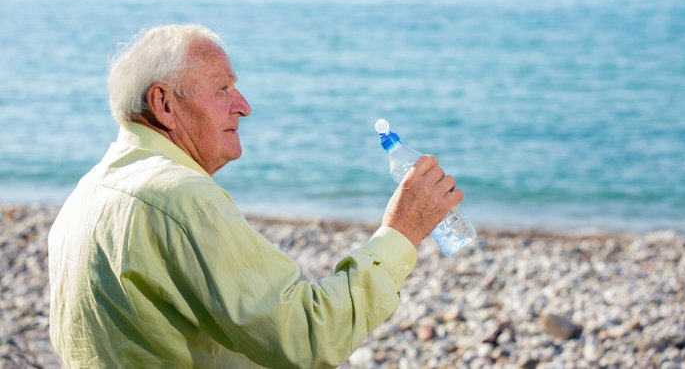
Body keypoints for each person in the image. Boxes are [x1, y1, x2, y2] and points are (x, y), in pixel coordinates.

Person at [48, 24, 463, 368]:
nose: (244, 106)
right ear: (164, 104)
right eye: (223, 88)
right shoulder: (181, 198)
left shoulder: (87, 193)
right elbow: (307, 336)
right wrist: (400, 232)